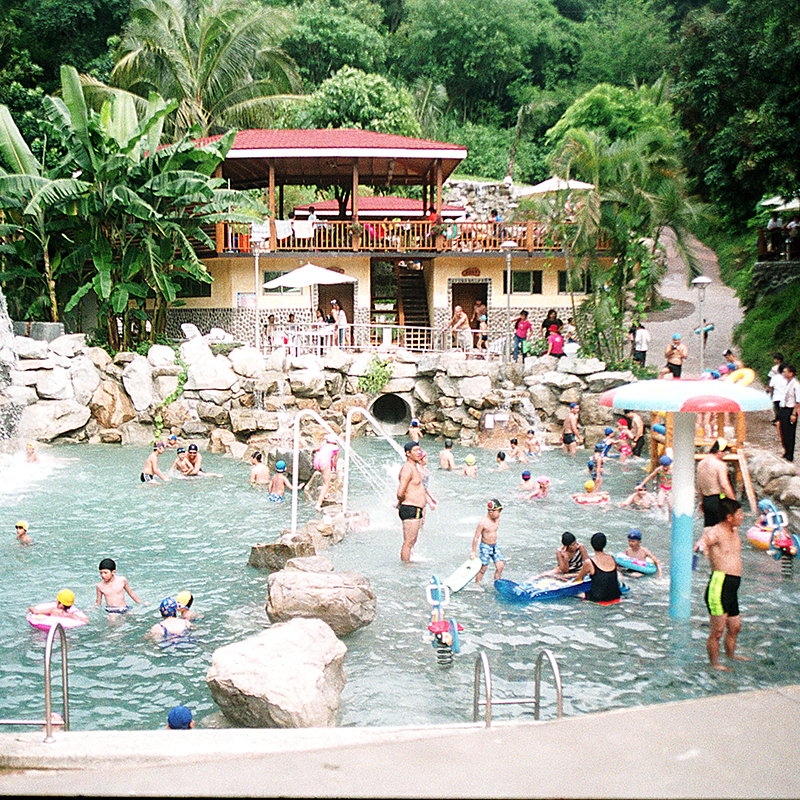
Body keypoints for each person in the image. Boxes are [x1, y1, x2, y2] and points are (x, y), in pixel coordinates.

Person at [693, 498, 748, 670]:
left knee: (735, 627)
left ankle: (731, 655)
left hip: (733, 585)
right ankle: (714, 664)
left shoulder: (734, 530)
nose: (743, 516)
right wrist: (702, 546)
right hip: (720, 584)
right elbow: (705, 538)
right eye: (739, 514)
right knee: (717, 631)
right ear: (729, 517)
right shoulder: (716, 532)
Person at [397, 441, 429, 561]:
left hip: (415, 508)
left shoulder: (414, 467)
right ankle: (406, 568)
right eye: (415, 451)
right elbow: (400, 492)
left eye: (419, 450)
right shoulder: (407, 469)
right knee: (408, 542)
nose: (418, 453)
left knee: (412, 541)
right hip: (410, 507)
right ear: (408, 453)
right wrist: (401, 503)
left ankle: (409, 561)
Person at [697, 438, 736, 533]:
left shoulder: (701, 463)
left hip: (706, 500)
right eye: (725, 452)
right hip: (717, 500)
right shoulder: (720, 464)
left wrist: (701, 500)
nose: (726, 455)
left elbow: (699, 484)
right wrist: (734, 503)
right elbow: (724, 485)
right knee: (724, 532)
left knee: (708, 532)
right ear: (719, 452)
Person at [575, 532, 621, 603]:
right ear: (605, 544)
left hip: (598, 597)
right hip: (615, 595)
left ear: (592, 545)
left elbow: (579, 579)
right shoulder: (612, 558)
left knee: (576, 594)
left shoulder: (589, 562)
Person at [470, 499, 505, 585]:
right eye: (498, 512)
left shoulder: (497, 520)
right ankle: (477, 584)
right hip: (485, 546)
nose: (499, 514)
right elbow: (476, 537)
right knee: (483, 568)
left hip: (494, 546)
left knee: (500, 566)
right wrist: (473, 551)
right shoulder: (483, 522)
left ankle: (497, 583)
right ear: (491, 512)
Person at [313, 434, 340, 511]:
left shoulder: (324, 445)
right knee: (326, 483)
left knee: (324, 476)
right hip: (324, 463)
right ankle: (318, 505)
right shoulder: (336, 448)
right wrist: (335, 469)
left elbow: (316, 450)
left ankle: (326, 493)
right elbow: (335, 462)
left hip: (316, 461)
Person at [778, 364, 798, 461]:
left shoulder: (796, 385)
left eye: (786, 372)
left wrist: (794, 413)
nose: (784, 373)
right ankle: (786, 451)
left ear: (791, 373)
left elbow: (798, 401)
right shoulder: (787, 383)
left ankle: (790, 454)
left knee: (789, 433)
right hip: (784, 409)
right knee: (783, 431)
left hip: (790, 410)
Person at [767, 352, 786, 424]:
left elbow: (770, 378)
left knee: (776, 405)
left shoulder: (774, 368)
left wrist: (768, 388)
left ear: (778, 360)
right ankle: (780, 419)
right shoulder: (785, 367)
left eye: (775, 359)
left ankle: (777, 418)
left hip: (776, 386)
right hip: (781, 387)